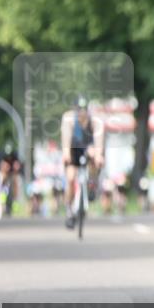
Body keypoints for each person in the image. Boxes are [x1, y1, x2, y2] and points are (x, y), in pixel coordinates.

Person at [60, 96, 104, 229]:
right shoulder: (68, 119)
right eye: (79, 109)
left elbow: (99, 139)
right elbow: (66, 137)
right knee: (70, 177)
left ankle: (92, 184)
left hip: (89, 149)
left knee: (95, 159)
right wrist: (66, 153)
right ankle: (69, 209)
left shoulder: (95, 121)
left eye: (84, 109)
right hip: (74, 149)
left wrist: (98, 155)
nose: (81, 113)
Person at [0, 142, 23, 217]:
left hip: (13, 173)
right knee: (2, 179)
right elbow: (2, 166)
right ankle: (2, 202)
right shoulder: (2, 156)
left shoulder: (15, 156)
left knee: (16, 180)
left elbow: (17, 166)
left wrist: (15, 167)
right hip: (5, 174)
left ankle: (15, 202)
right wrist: (5, 168)